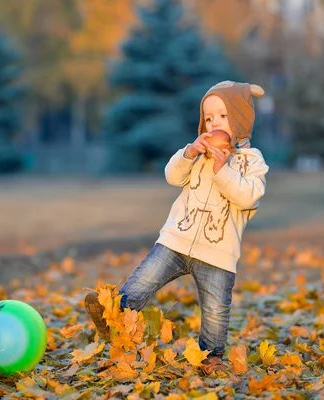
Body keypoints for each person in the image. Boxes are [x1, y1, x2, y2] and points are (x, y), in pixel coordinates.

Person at [85, 81, 269, 374]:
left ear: (240, 120)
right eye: (209, 119)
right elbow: (172, 176)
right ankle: (114, 316)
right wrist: (188, 153)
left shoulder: (251, 162)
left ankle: (211, 356)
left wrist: (224, 171)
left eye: (223, 116)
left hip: (217, 253)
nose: (214, 124)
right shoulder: (198, 153)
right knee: (144, 279)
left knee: (215, 310)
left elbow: (248, 198)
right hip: (176, 240)